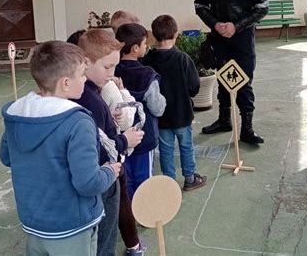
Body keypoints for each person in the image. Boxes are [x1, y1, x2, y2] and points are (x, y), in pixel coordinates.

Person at [0, 40, 121, 256]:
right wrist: (111, 171)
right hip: (71, 226)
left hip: (34, 222)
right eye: (82, 74)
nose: (85, 79)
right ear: (65, 82)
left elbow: (6, 157)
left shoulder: (17, 113)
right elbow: (88, 184)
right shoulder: (77, 121)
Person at [73, 30, 146, 256]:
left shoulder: (93, 91)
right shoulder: (89, 97)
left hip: (104, 172)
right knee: (105, 236)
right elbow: (99, 145)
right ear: (86, 63)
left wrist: (110, 121)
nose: (112, 74)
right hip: (105, 173)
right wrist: (126, 139)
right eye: (107, 67)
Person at [194, 0, 269, 144]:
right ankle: (224, 119)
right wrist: (215, 24)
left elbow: (262, 7)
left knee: (243, 79)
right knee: (224, 77)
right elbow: (200, 5)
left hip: (242, 35)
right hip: (219, 35)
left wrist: (236, 26)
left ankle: (247, 127)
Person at [143, 15, 207, 191]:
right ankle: (190, 178)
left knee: (165, 149)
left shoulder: (148, 59)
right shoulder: (183, 58)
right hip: (182, 113)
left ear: (154, 36)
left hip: (160, 115)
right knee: (186, 146)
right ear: (176, 33)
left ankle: (169, 183)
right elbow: (194, 87)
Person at [115, 23, 166, 197]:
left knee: (125, 178)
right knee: (144, 178)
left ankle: (129, 215)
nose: (147, 47)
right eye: (145, 44)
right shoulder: (147, 74)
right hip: (144, 136)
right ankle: (144, 213)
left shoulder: (111, 71)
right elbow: (157, 108)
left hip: (120, 136)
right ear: (135, 48)